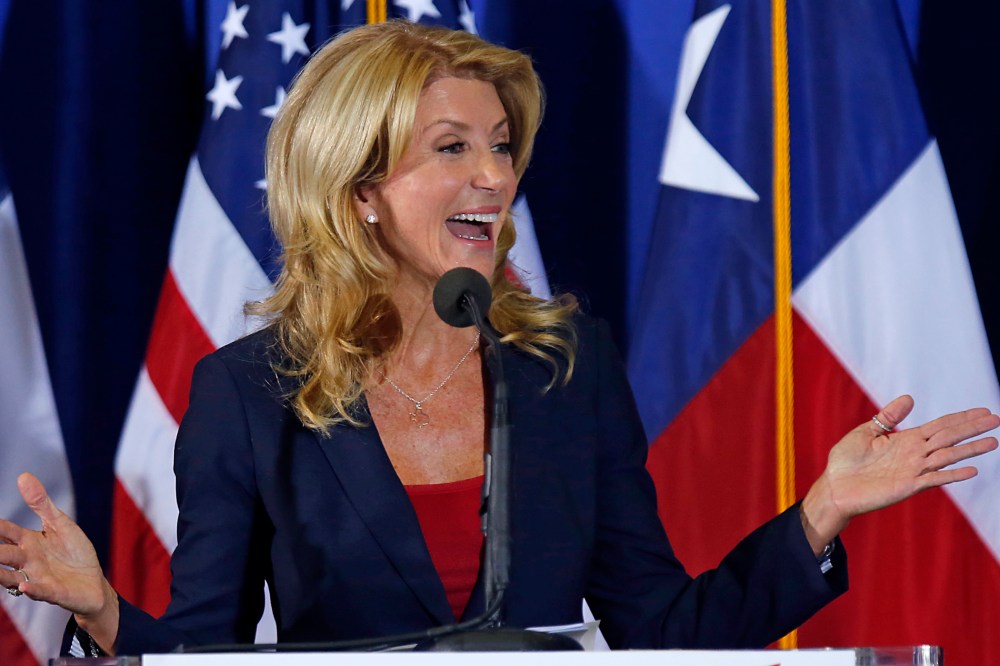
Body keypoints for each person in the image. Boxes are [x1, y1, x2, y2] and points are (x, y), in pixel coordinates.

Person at [1, 20, 997, 656]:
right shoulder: (250, 391)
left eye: (501, 145)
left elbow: (657, 630)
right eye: (452, 149)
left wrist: (818, 513)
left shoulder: (563, 369)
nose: (494, 176)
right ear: (361, 195)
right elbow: (207, 658)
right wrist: (101, 613)